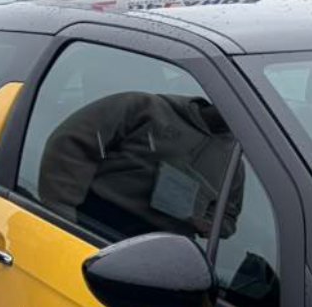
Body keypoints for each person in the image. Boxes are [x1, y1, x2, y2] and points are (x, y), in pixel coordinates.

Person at [39, 91, 244, 240]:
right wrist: (63, 216)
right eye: (239, 98)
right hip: (93, 222)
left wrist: (206, 223)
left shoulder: (234, 163)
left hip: (163, 248)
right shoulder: (144, 107)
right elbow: (70, 144)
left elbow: (227, 217)